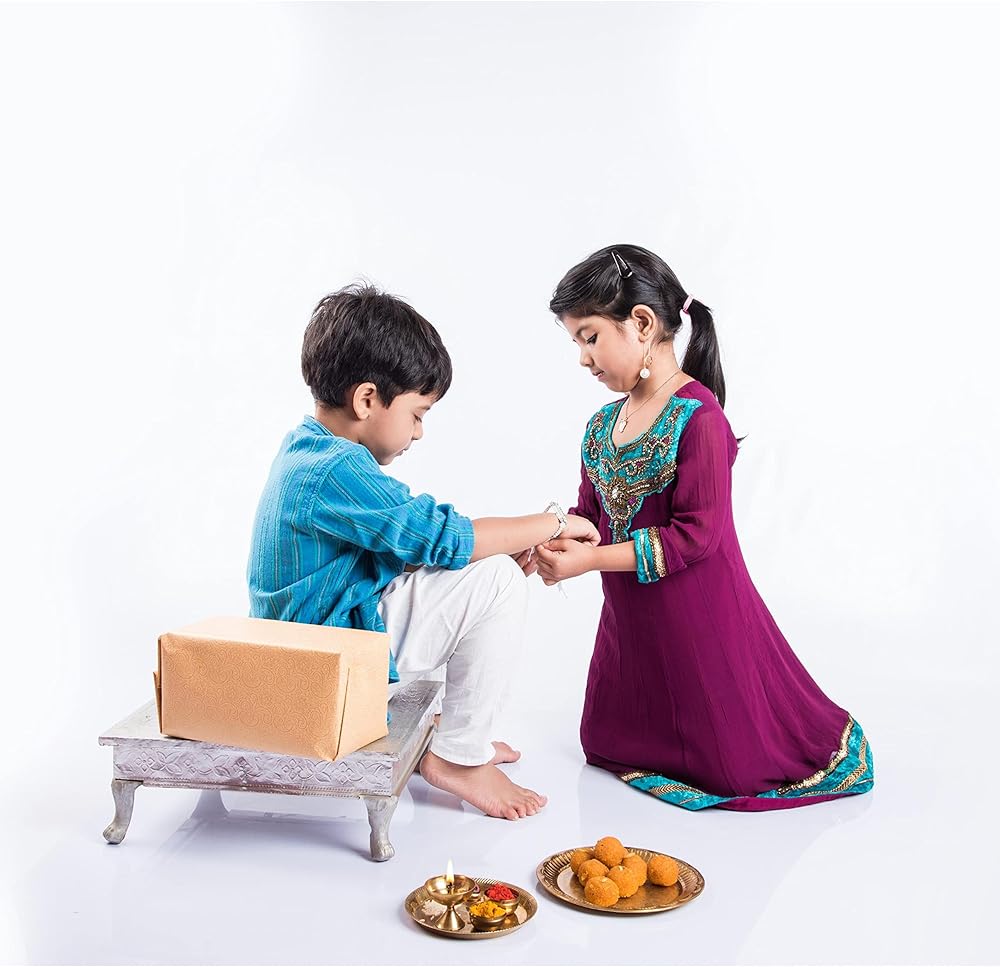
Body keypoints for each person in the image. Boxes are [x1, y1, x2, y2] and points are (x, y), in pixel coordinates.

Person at [534, 244, 874, 810]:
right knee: (603, 742)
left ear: (642, 323)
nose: (583, 359)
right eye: (576, 343)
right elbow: (591, 517)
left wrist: (590, 560)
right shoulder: (600, 425)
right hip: (630, 622)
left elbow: (696, 536)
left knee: (730, 768)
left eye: (589, 337)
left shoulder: (700, 417)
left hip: (697, 615)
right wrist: (547, 539)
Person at [247, 282, 598, 820]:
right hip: (321, 671)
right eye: (417, 413)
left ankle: (450, 737)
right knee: (496, 580)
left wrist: (492, 560)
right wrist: (553, 521)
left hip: (315, 651)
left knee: (485, 572)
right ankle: (458, 757)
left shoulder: (308, 450)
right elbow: (444, 537)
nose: (419, 432)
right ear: (367, 399)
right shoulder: (334, 468)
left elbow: (411, 554)